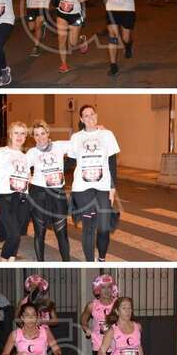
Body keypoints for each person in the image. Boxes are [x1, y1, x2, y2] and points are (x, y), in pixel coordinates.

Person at [69, 105, 121, 262]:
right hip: (82, 188)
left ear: (96, 116)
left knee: (104, 227)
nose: (90, 117)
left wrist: (112, 189)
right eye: (86, 115)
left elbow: (112, 163)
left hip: (103, 186)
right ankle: (89, 262)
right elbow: (71, 161)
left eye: (92, 114)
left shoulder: (107, 135)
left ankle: (102, 258)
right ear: (81, 119)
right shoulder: (76, 138)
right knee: (89, 226)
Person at [25, 120, 72, 261]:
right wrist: (29, 178)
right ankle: (41, 264)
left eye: (43, 133)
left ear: (48, 133)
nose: (40, 137)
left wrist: (98, 130)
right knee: (40, 233)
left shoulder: (59, 146)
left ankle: (67, 263)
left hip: (57, 194)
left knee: (62, 233)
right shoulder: (32, 152)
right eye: (36, 135)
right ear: (33, 137)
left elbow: (79, 145)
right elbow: (21, 169)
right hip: (38, 194)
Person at [0, 121, 30, 262]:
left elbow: (28, 179)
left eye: (22, 133)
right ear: (10, 135)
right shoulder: (1, 152)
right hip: (5, 198)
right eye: (16, 132)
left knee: (16, 237)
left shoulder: (25, 156)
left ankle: (10, 261)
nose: (19, 136)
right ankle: (3, 260)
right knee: (14, 235)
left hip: (23, 199)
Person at [43, 0, 90, 73]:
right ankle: (63, 64)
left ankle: (81, 39)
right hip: (61, 13)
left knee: (73, 43)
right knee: (61, 39)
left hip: (75, 14)